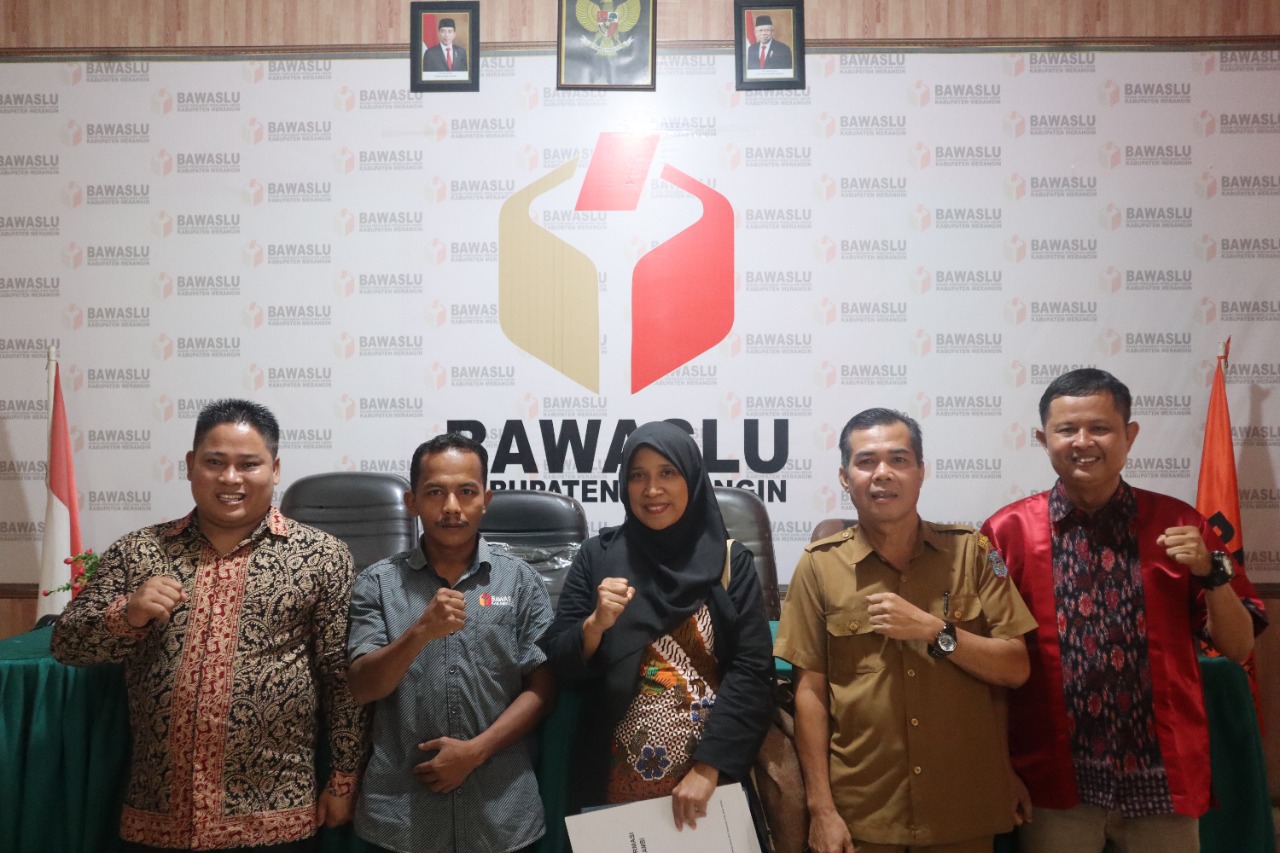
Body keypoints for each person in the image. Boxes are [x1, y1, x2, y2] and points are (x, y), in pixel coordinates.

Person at [51, 399, 365, 852]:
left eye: (248, 464)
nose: (230, 478)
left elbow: (341, 677)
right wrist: (127, 614)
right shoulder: (140, 551)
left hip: (275, 814)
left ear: (275, 469)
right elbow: (66, 644)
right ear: (190, 465)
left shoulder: (322, 556)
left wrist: (344, 778)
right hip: (159, 815)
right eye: (215, 462)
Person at [980, 368, 1267, 853]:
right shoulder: (1005, 533)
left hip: (1162, 776)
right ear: (1043, 439)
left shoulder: (1180, 524)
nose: (1083, 442)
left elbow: (1237, 647)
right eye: (1067, 429)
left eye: (1100, 427)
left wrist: (1210, 572)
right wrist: (1000, 769)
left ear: (1129, 435)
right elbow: (992, 665)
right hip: (1055, 779)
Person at [774, 407, 1037, 853]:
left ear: (921, 472)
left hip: (961, 806)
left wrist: (934, 630)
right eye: (866, 462)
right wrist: (821, 809)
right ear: (844, 478)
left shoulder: (972, 554)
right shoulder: (819, 566)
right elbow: (810, 695)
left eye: (898, 459)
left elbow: (1015, 669)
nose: (883, 473)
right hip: (865, 811)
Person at [541, 420, 775, 830]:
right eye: (638, 476)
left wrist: (709, 767)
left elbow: (752, 670)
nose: (652, 489)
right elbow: (558, 661)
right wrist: (595, 625)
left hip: (708, 788)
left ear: (692, 479)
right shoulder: (597, 556)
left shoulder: (729, 561)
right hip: (610, 786)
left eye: (667, 472)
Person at [347, 433, 554, 853]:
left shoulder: (519, 582)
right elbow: (363, 686)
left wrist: (475, 752)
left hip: (501, 813)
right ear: (412, 502)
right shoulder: (377, 584)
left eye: (467, 492)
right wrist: (420, 631)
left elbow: (544, 688)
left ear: (486, 500)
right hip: (402, 817)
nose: (452, 507)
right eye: (435, 492)